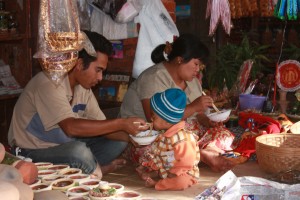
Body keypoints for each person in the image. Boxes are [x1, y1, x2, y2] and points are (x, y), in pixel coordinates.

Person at [8, 31, 148, 179]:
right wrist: (122, 123)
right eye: (98, 70)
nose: (100, 78)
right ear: (80, 64)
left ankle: (87, 169)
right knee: (78, 151)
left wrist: (139, 139)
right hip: (30, 153)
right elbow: (71, 127)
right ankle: (93, 170)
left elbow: (103, 126)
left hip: (65, 146)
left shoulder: (83, 88)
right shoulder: (48, 82)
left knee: (118, 141)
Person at [120, 33, 235, 172]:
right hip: (149, 136)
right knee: (149, 154)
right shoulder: (153, 77)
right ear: (180, 60)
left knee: (224, 134)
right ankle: (202, 155)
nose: (198, 69)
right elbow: (157, 121)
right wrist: (194, 107)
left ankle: (196, 152)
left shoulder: (193, 81)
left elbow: (198, 116)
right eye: (196, 64)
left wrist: (208, 121)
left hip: (182, 134)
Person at [135, 88, 200, 190]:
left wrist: (174, 173)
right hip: (166, 168)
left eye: (153, 117)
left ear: (167, 122)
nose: (151, 119)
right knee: (149, 157)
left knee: (181, 182)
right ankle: (155, 174)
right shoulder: (164, 134)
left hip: (183, 173)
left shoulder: (183, 138)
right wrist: (152, 165)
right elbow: (160, 155)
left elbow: (186, 162)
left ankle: (158, 184)